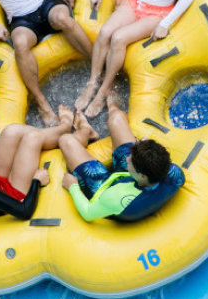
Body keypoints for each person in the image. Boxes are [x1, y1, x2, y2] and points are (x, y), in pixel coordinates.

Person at [60, 93, 185, 222]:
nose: (126, 159)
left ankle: (85, 130)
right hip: (130, 178)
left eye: (130, 160)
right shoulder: (174, 173)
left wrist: (73, 187)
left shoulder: (115, 198)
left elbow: (87, 212)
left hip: (104, 188)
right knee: (116, 118)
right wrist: (145, 147)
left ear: (142, 176)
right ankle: (111, 102)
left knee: (66, 140)